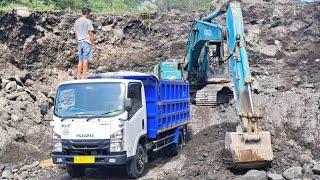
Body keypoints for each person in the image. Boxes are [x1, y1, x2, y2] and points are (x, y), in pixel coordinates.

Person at [74, 7, 96, 79]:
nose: (90, 15)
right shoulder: (88, 21)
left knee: (80, 60)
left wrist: (78, 42)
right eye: (89, 14)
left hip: (80, 42)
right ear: (87, 13)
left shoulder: (76, 21)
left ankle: (78, 77)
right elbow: (90, 33)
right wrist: (93, 44)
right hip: (86, 42)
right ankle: (84, 77)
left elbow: (76, 34)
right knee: (85, 60)